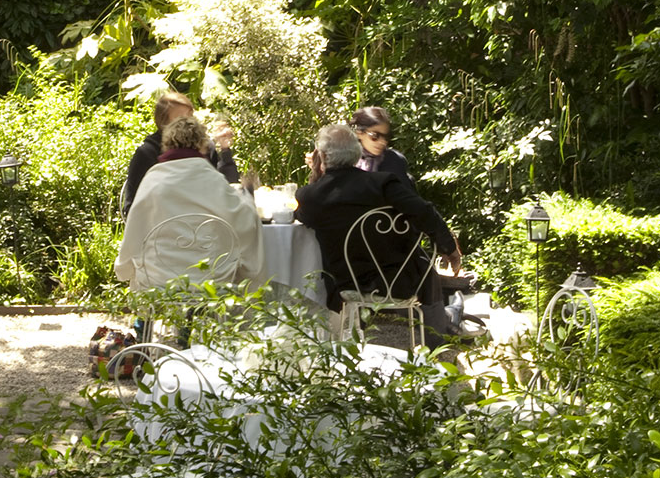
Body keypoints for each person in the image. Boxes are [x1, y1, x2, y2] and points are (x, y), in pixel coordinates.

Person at [296, 123, 471, 338]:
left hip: (349, 283)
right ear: (357, 153)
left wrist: (317, 175)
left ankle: (445, 320)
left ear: (321, 156)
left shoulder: (310, 196)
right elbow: (424, 212)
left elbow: (302, 219)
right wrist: (449, 248)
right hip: (399, 279)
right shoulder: (382, 184)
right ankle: (440, 329)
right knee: (422, 261)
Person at [113, 115, 265, 291]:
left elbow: (136, 228)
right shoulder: (213, 180)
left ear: (166, 144)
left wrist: (124, 268)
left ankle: (148, 317)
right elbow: (244, 220)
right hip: (211, 278)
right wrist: (246, 197)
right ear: (202, 145)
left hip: (160, 280)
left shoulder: (153, 181)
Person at [122, 91, 236, 216]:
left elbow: (227, 189)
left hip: (205, 226)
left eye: (191, 116)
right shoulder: (147, 153)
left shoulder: (206, 148)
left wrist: (225, 151)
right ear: (163, 122)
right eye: (181, 118)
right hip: (162, 229)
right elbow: (132, 207)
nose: (188, 123)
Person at [351, 106, 412, 181]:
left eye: (386, 137)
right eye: (375, 135)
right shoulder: (346, 162)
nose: (382, 142)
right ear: (359, 133)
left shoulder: (394, 161)